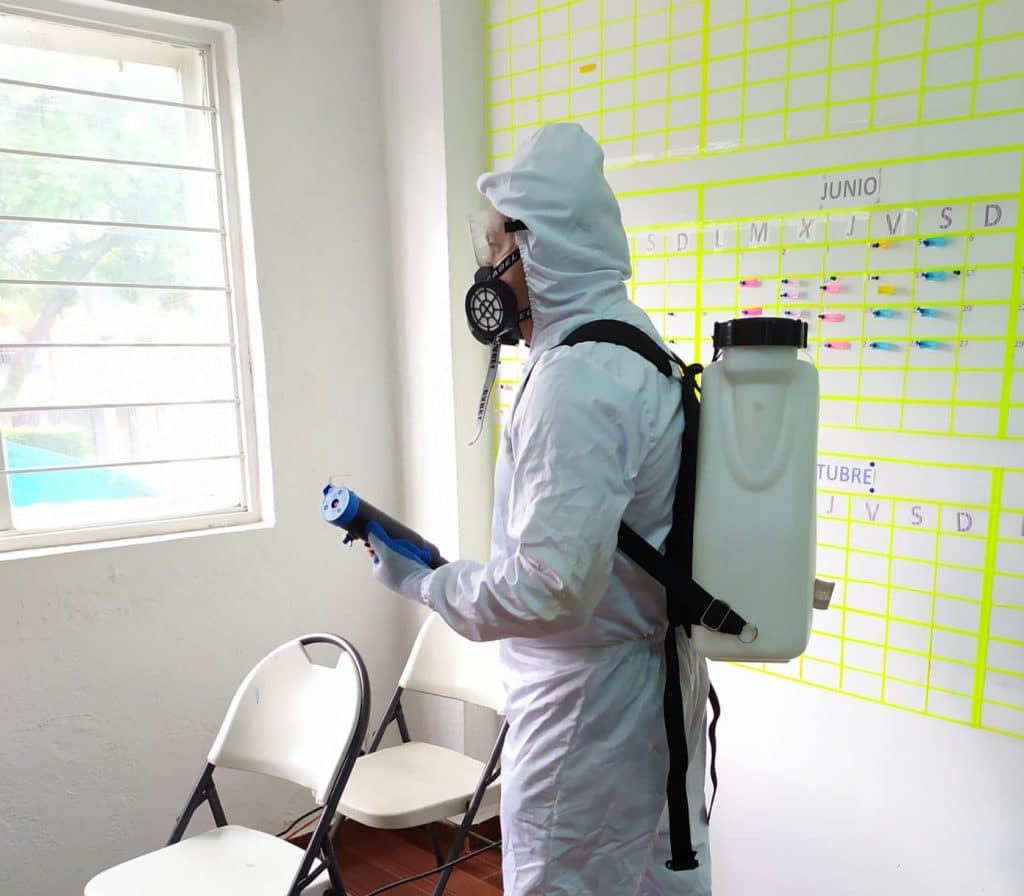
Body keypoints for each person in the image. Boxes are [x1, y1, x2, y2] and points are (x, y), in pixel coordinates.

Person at [366, 121, 712, 896]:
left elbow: (550, 590)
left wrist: (428, 582)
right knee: (649, 876)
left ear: (537, 248)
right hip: (643, 686)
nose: (488, 268)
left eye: (495, 248)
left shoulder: (576, 380)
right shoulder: (635, 347)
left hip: (587, 713)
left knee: (566, 879)